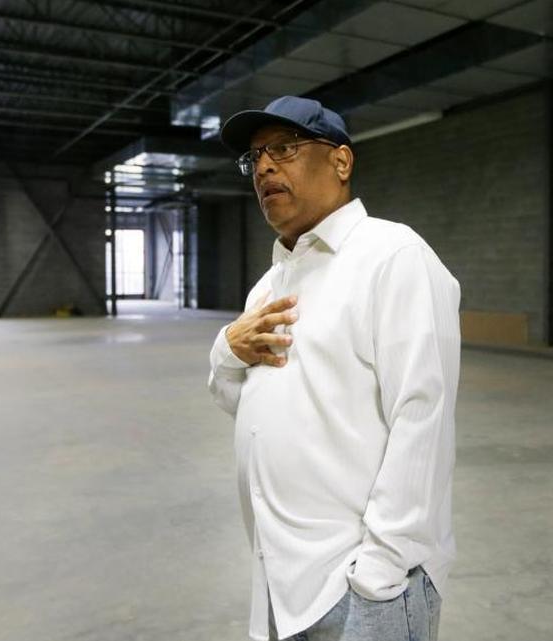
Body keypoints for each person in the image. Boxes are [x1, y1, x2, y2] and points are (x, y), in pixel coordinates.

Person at [207, 95, 460, 641]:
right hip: (283, 581)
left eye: (285, 148)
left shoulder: (392, 256)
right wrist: (226, 348)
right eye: (255, 158)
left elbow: (424, 420)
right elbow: (242, 402)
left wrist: (378, 574)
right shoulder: (271, 284)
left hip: (360, 590)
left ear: (341, 162)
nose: (265, 167)